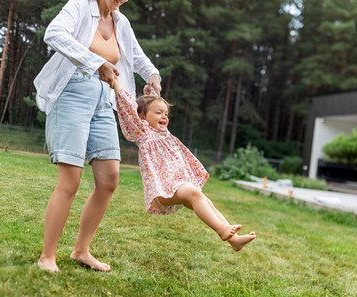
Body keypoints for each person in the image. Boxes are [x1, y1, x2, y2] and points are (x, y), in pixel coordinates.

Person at [33, 0, 161, 273]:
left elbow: (136, 56)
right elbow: (54, 34)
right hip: (72, 93)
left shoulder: (120, 22)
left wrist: (152, 75)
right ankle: (47, 256)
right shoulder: (80, 6)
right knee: (70, 180)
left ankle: (81, 250)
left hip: (106, 98)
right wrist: (96, 61)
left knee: (109, 178)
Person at [112, 78, 256, 250]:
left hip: (177, 185)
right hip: (163, 190)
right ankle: (222, 230)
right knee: (195, 193)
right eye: (159, 113)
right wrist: (116, 84)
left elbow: (152, 104)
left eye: (165, 114)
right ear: (142, 117)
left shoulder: (163, 132)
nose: (164, 116)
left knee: (205, 201)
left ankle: (235, 240)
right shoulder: (142, 132)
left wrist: (152, 91)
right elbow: (129, 108)